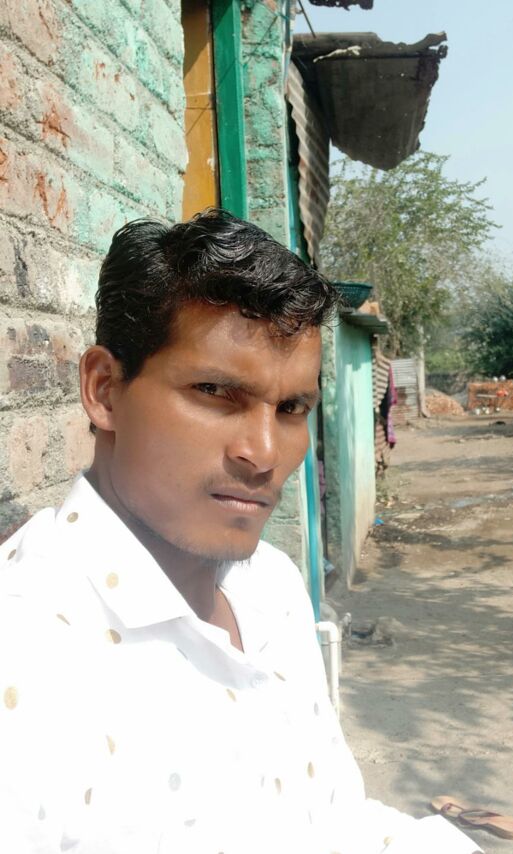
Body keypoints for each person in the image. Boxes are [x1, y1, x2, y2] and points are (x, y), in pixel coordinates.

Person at [0, 210, 481, 853]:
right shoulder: (27, 659)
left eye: (291, 408)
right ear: (105, 391)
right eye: (215, 392)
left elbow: (330, 822)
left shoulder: (272, 589)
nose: (263, 453)